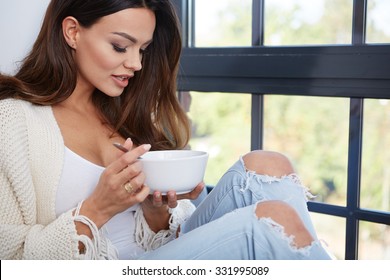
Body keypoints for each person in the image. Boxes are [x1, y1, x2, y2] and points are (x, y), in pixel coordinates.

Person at [0, 0, 333, 260]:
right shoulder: (14, 121)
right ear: (72, 31)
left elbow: (162, 235)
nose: (136, 64)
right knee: (271, 222)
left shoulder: (126, 114)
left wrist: (156, 210)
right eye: (120, 46)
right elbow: (9, 258)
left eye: (142, 49)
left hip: (158, 257)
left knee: (269, 165)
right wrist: (97, 208)